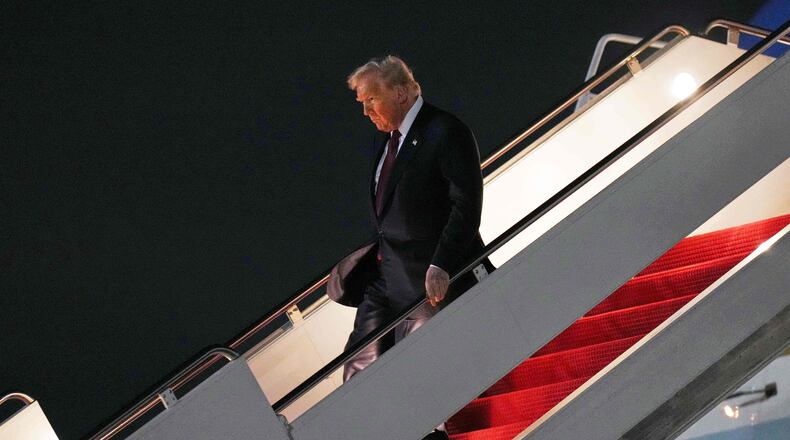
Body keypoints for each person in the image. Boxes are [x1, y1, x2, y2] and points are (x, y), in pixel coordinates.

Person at [327, 55, 490, 440]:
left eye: (371, 100)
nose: (366, 111)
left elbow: (466, 207)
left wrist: (443, 264)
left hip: (430, 277)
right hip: (386, 277)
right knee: (360, 364)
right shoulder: (382, 141)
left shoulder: (445, 131)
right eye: (361, 104)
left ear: (400, 92)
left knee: (424, 369)